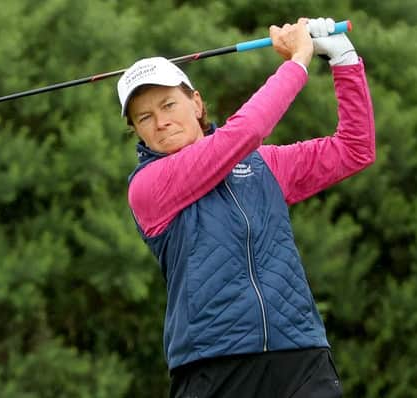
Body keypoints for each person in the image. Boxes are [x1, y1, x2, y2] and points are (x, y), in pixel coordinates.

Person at [116, 17, 375, 397]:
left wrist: (343, 59)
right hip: (214, 365)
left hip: (299, 354)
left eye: (169, 104)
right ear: (137, 130)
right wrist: (297, 61)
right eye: (144, 117)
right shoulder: (148, 187)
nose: (161, 122)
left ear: (197, 102)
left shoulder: (263, 165)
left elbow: (355, 149)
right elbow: (245, 131)